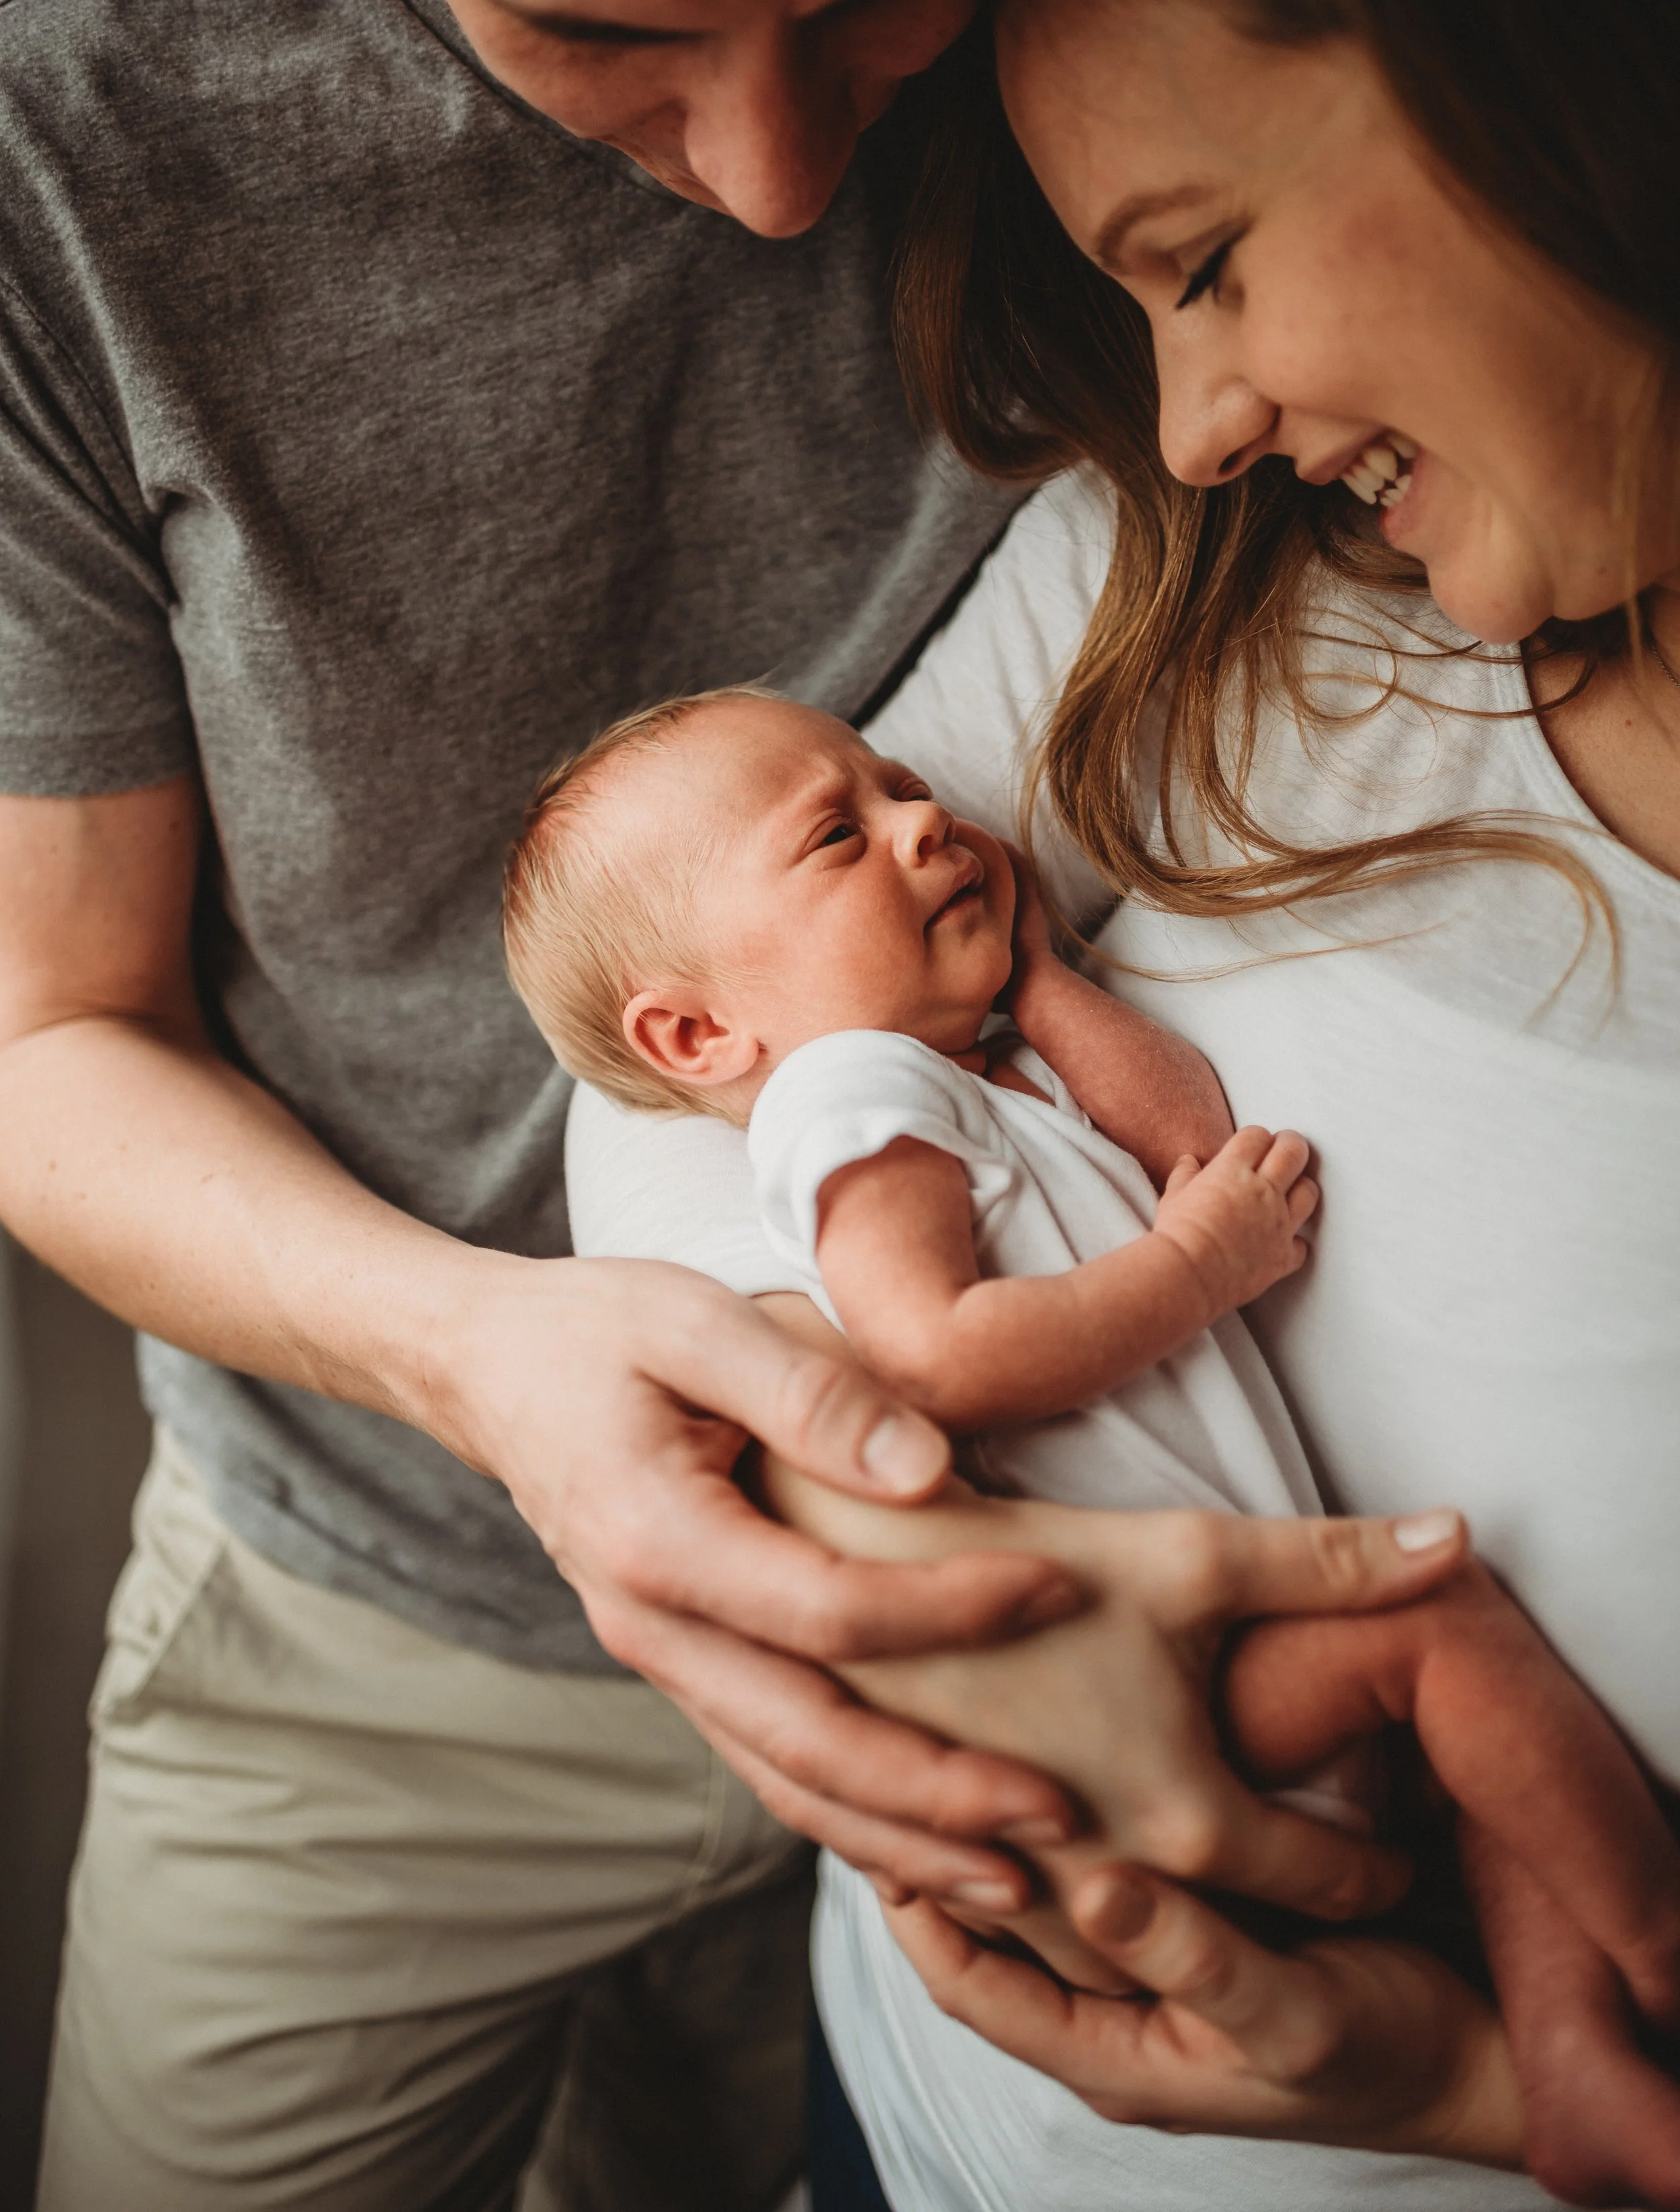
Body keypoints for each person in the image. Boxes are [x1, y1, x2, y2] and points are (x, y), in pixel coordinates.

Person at [562, 0, 1680, 2202]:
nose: (1181, 420)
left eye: (1206, 261)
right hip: (929, 2111)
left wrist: (1464, 2092)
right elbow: (684, 1060)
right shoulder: (1215, 591)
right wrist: (912, 1583)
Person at [0, 0, 1071, 2203]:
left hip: (1007, 1607)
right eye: (599, 31)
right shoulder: (56, 174)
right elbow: (47, 1027)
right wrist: (483, 1357)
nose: (782, 177)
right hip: (371, 1647)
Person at [505, 678, 1680, 2043]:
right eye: (837, 836)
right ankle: (1654, 1953)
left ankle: (1574, 2062)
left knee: (1482, 1746)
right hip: (1159, 1675)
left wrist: (1043, 979)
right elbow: (933, 1350)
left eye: (897, 782)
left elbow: (1187, 1136)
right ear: (699, 1036)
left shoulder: (971, 1071)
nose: (919, 817)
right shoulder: (850, 1097)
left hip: (1217, 1648)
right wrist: (1196, 1269)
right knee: (1442, 1623)